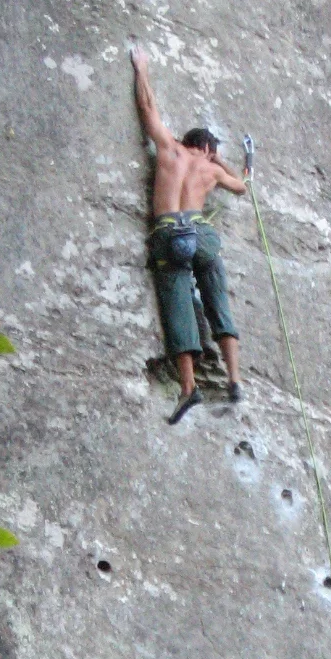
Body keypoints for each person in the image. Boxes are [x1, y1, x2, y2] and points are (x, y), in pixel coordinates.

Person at [131, 46, 251, 424]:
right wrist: (220, 161)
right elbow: (242, 187)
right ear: (208, 149)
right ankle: (234, 380)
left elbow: (148, 109)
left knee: (176, 302)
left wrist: (142, 68)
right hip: (202, 233)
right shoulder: (211, 169)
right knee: (217, 299)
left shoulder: (170, 151)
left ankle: (188, 387)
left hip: (169, 232)